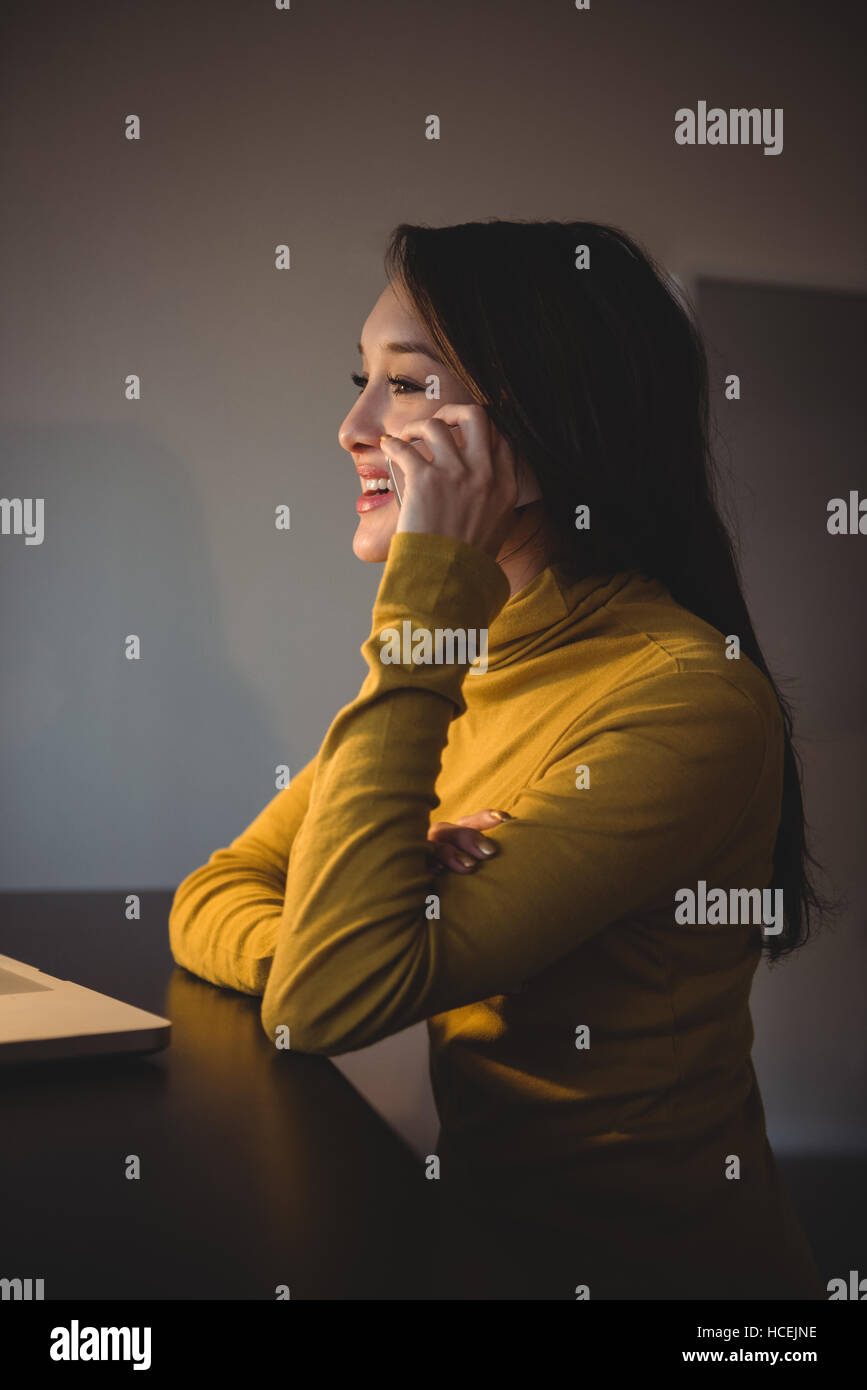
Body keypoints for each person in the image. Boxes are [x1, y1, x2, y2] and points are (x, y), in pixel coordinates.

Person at [170, 219, 831, 1300]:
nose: (351, 427)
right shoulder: (461, 657)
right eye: (360, 381)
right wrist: (336, 925)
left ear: (540, 431)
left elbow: (324, 1001)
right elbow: (212, 893)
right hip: (489, 1254)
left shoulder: (685, 698)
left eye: (408, 386)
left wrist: (427, 601)